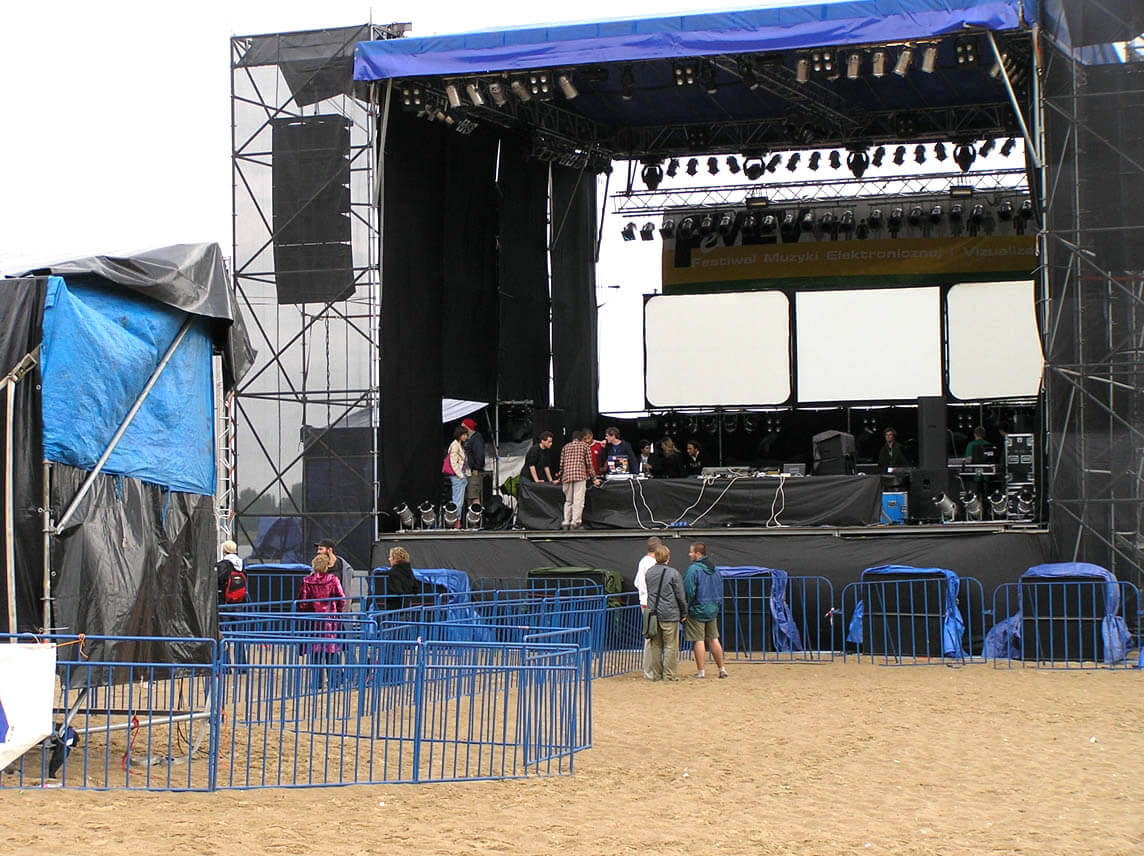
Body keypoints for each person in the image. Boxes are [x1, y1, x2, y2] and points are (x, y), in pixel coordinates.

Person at [683, 542, 728, 679]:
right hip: (712, 608)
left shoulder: (693, 569)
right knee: (714, 639)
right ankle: (722, 669)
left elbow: (689, 590)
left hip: (697, 608)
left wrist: (686, 605)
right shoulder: (715, 569)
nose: (689, 554)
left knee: (698, 640)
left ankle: (701, 671)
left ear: (698, 554)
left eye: (691, 552)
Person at [643, 544, 688, 681]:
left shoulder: (649, 572)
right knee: (670, 645)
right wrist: (684, 612)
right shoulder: (673, 573)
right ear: (668, 557)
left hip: (653, 614)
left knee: (655, 645)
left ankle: (656, 674)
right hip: (670, 613)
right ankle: (669, 675)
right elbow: (680, 595)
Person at [296, 553, 347, 673]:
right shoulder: (333, 580)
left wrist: (306, 612)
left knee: (315, 651)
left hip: (313, 621)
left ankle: (317, 680)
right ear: (327, 566)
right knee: (331, 650)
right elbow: (342, 598)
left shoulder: (307, 581)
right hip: (330, 620)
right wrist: (338, 611)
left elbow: (303, 602)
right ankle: (334, 679)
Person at [557, 429, 600, 530]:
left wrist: (559, 477)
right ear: (581, 438)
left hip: (567, 476)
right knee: (578, 500)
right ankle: (575, 522)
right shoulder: (585, 446)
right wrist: (594, 479)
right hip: (579, 475)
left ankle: (566, 521)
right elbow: (589, 464)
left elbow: (561, 465)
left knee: (568, 500)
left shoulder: (565, 447)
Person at [634, 536, 662, 680]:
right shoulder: (652, 564)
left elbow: (637, 583)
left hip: (645, 602)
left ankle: (651, 669)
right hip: (652, 602)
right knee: (651, 637)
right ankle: (649, 670)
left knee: (651, 636)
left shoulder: (643, 561)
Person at [375, 546, 419, 611]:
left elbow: (397, 590)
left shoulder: (393, 572)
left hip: (394, 608)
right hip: (408, 607)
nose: (389, 559)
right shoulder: (409, 571)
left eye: (390, 557)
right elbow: (416, 589)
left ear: (395, 559)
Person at [315, 537, 354, 605]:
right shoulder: (317, 567)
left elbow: (349, 591)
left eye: (321, 549)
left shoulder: (345, 567)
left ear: (329, 550)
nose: (318, 552)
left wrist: (347, 607)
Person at [447, 424, 471, 523]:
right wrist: (460, 475)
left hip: (461, 475)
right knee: (458, 501)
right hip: (458, 476)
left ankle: (456, 520)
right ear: (459, 435)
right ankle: (455, 521)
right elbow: (453, 462)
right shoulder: (455, 445)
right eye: (464, 434)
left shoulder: (459, 445)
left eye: (466, 435)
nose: (465, 436)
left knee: (459, 500)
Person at [461, 417, 486, 505]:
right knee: (469, 496)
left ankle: (476, 512)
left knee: (474, 495)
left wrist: (476, 468)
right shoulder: (467, 439)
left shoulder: (476, 438)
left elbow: (480, 454)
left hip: (473, 471)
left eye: (463, 427)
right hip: (467, 471)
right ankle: (470, 513)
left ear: (467, 427)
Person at [216, 539, 247, 606]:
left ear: (224, 551)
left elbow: (218, 579)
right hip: (240, 600)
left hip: (225, 600)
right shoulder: (241, 563)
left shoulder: (223, 565)